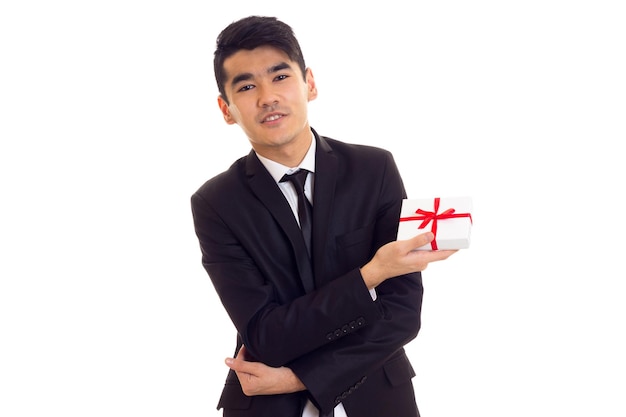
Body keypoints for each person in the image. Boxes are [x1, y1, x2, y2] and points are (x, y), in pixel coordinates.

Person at [190, 15, 457, 417]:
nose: (267, 97)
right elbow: (266, 334)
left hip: (379, 397)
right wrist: (370, 275)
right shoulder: (216, 202)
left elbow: (401, 314)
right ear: (226, 109)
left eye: (280, 77)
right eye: (247, 86)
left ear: (309, 83)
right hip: (267, 405)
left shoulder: (374, 169)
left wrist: (300, 377)